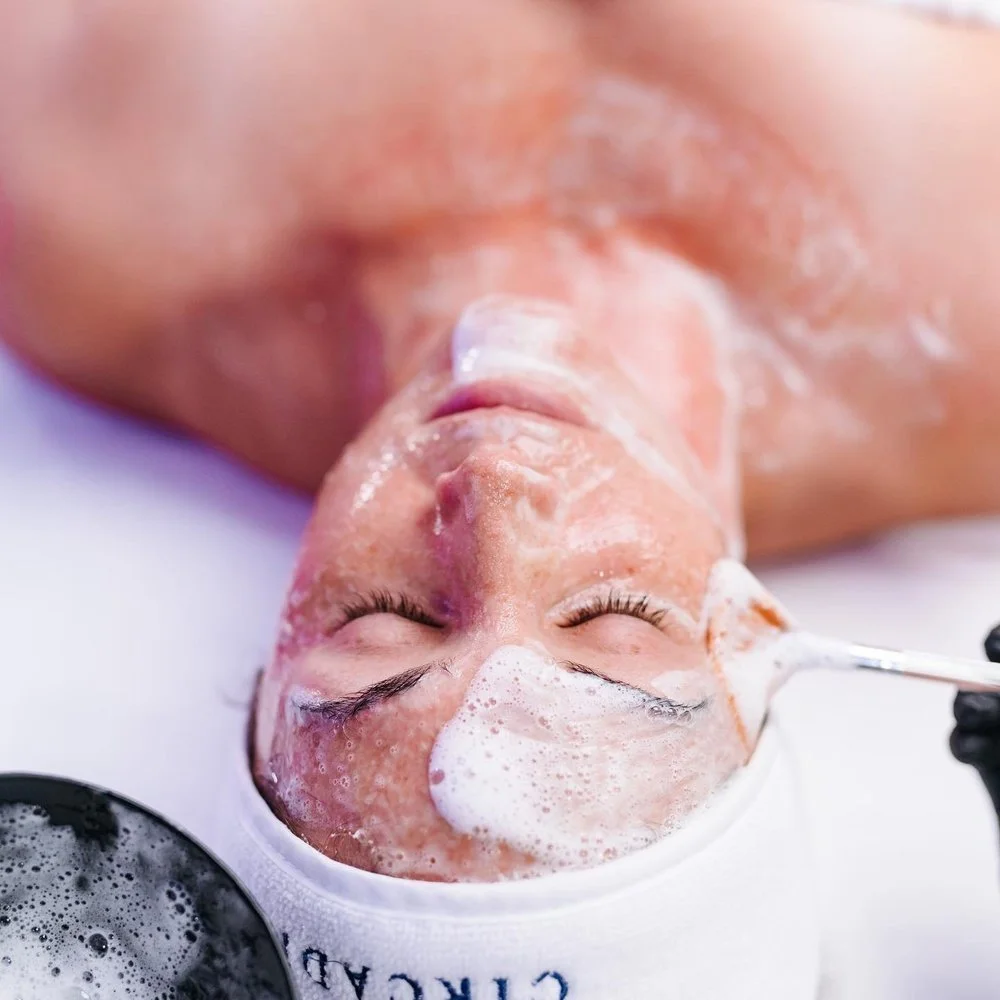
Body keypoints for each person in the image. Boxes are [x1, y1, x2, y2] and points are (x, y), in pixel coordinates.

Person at [2, 0, 1000, 883]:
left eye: (386, 619)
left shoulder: (75, 206)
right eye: (608, 620)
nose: (495, 497)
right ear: (749, 653)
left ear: (277, 652)